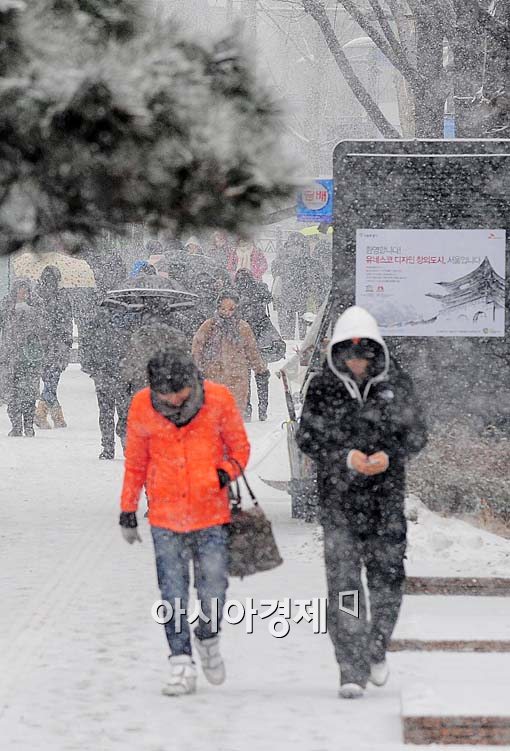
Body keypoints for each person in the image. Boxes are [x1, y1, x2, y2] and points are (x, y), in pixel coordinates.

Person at [296, 306, 427, 699]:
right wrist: (345, 457)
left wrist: (389, 454)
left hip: (385, 502)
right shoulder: (323, 387)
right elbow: (308, 437)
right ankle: (350, 668)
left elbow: (417, 433)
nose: (356, 362)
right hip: (339, 503)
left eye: (363, 354)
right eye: (349, 354)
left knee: (388, 579)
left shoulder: (397, 385)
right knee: (345, 586)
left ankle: (377, 645)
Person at [119, 349, 250, 696]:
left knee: (213, 590)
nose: (173, 400)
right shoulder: (141, 405)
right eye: (164, 394)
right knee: (172, 591)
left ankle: (208, 637)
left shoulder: (218, 400)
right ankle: (180, 660)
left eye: (179, 393)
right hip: (165, 516)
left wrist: (223, 475)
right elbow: (135, 461)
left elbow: (240, 449)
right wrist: (128, 508)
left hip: (211, 515)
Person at [192, 290, 269, 418]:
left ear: (236, 309)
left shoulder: (243, 327)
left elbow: (252, 351)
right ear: (217, 307)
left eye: (231, 309)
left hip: (237, 378)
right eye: (222, 308)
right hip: (213, 374)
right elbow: (197, 347)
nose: (226, 312)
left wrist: (260, 370)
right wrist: (196, 367)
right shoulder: (209, 326)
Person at [0, 280, 43, 436]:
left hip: (29, 359)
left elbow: (41, 330)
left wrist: (29, 313)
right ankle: (16, 425)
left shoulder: (36, 308)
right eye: (19, 290)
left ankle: (28, 424)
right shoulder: (6, 307)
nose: (22, 294)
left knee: (29, 393)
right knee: (13, 394)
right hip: (10, 357)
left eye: (25, 291)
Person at [33, 266, 73, 429]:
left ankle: (55, 416)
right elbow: (67, 321)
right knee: (52, 380)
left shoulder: (37, 295)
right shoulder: (61, 296)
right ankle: (42, 414)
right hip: (56, 345)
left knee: (50, 379)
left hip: (44, 345)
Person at [234, 269, 274, 421]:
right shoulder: (258, 289)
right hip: (260, 337)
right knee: (261, 375)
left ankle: (246, 409)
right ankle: (263, 408)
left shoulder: (235, 292)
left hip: (242, 338)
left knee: (245, 377)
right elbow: (269, 299)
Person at [271, 232, 311, 339]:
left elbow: (308, 275)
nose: (295, 248)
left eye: (298, 246)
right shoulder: (283, 257)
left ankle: (301, 336)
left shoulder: (305, 259)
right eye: (293, 245)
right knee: (290, 314)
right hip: (288, 291)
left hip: (300, 290)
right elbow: (275, 271)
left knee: (301, 315)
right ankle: (289, 336)